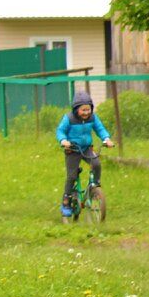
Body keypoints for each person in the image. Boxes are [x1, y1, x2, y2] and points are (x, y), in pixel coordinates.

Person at [56, 90, 114, 219]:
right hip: (73, 150)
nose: (86, 113)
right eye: (83, 110)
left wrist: (106, 139)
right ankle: (66, 202)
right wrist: (63, 140)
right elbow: (60, 131)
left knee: (96, 164)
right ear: (76, 109)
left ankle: (95, 186)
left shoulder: (93, 117)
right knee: (71, 176)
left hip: (87, 148)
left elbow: (100, 128)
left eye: (88, 109)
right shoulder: (69, 118)